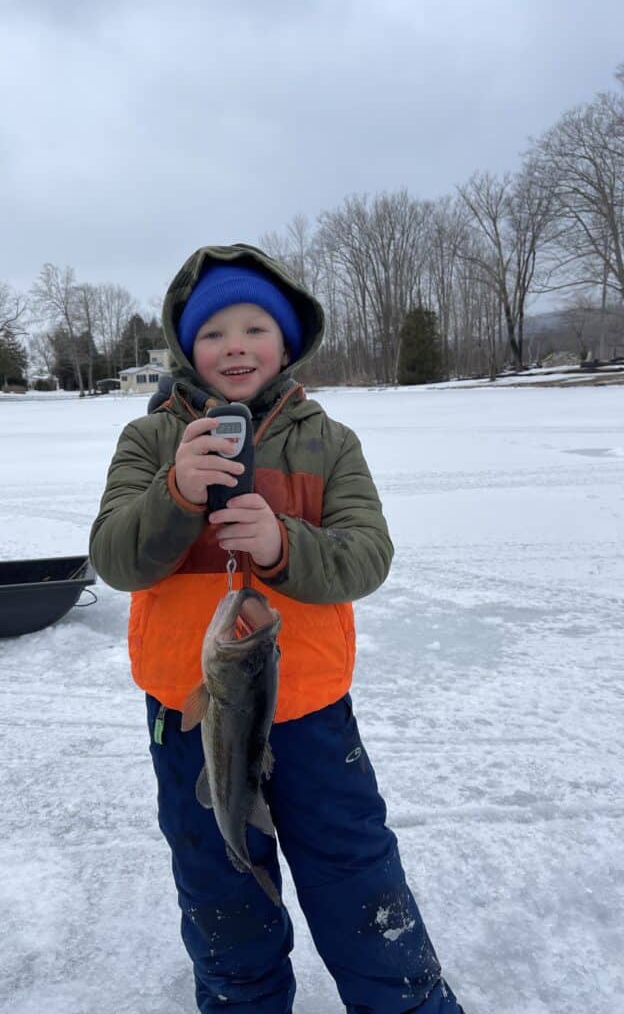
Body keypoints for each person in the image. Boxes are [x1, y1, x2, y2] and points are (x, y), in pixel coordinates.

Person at [89, 244, 464, 1014]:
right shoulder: (149, 440)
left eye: (255, 328)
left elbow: (367, 556)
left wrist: (281, 543)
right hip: (190, 711)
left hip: (311, 713)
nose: (235, 346)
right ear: (187, 349)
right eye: (213, 332)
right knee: (219, 884)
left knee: (354, 870)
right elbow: (116, 559)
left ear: (286, 343)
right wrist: (175, 493)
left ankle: (406, 1002)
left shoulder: (331, 444)